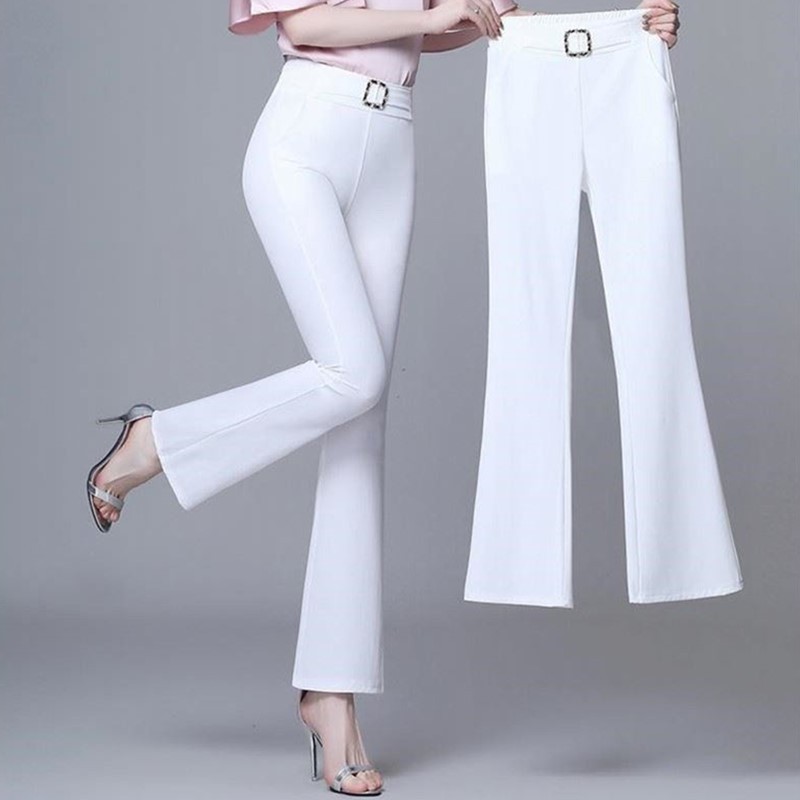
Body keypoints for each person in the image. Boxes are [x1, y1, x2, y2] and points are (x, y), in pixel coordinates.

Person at [85, 1, 680, 794]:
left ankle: (331, 696)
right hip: (305, 134)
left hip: (393, 137)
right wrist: (441, 10)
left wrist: (617, 29)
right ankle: (158, 442)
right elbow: (309, 28)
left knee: (361, 427)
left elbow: (449, 26)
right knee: (352, 373)